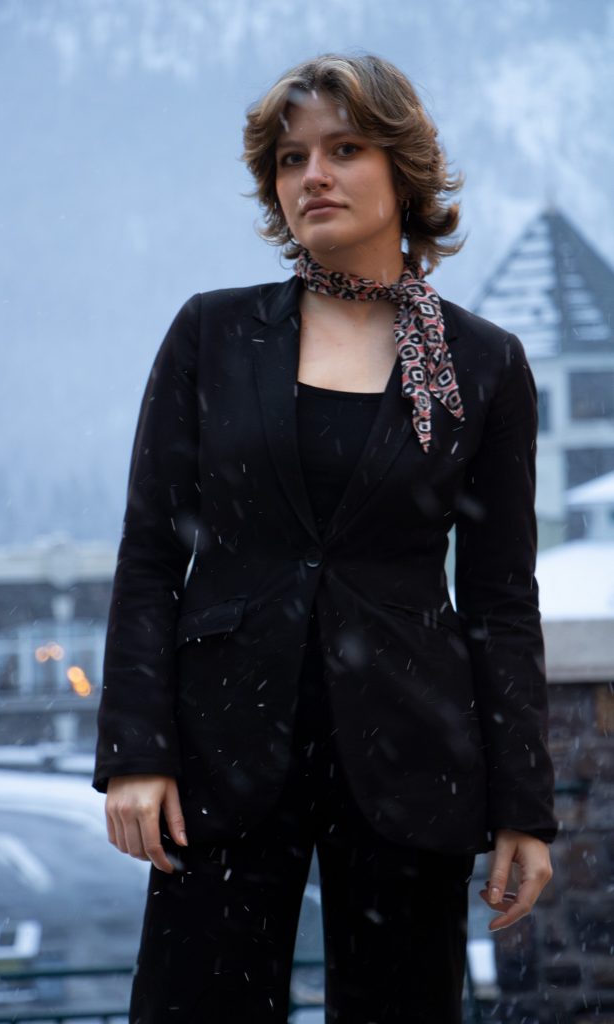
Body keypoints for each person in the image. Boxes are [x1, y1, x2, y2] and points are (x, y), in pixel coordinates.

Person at [93, 54, 556, 1024]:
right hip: (221, 755)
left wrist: (522, 804)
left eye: (344, 149)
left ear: (403, 171)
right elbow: (147, 556)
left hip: (409, 759)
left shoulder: (481, 365)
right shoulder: (211, 336)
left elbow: (500, 597)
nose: (313, 175)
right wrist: (138, 747)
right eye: (290, 156)